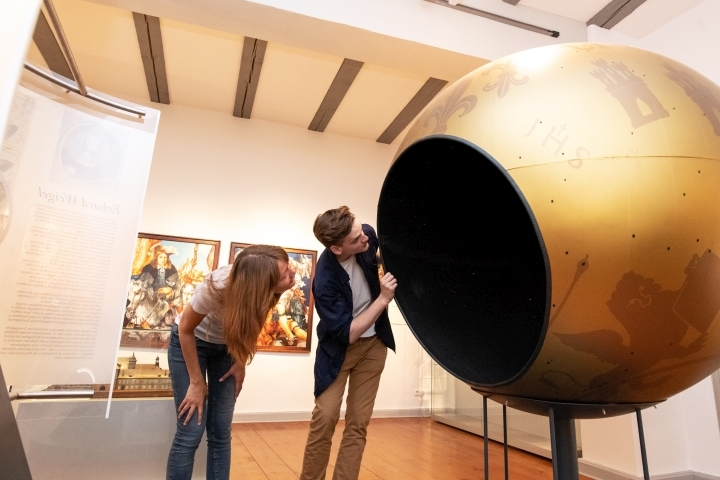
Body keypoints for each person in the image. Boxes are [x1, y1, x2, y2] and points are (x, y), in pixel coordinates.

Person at [166, 245, 296, 480]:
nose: (293, 273)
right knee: (191, 430)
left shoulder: (265, 289)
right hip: (191, 341)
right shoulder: (216, 287)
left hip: (226, 348)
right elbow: (185, 329)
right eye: (285, 272)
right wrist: (196, 383)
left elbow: (254, 320)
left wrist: (240, 359)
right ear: (260, 282)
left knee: (220, 430)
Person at [300, 206, 397, 480]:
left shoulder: (365, 235)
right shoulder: (325, 281)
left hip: (374, 346)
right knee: (325, 419)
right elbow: (348, 334)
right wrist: (382, 299)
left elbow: (376, 250)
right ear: (336, 249)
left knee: (358, 424)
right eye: (355, 240)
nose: (364, 239)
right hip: (338, 353)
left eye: (360, 230)